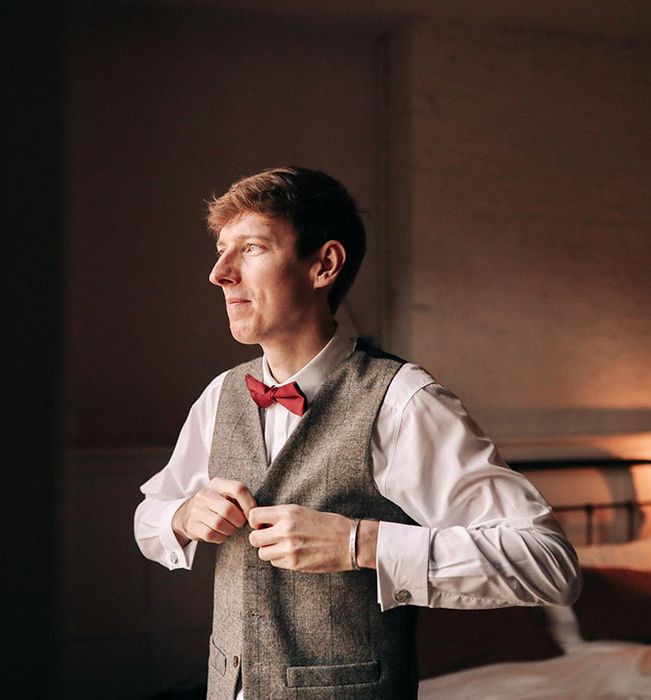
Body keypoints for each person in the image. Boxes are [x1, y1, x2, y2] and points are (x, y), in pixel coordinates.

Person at [134, 166, 581, 700]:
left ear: (323, 265)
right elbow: (149, 519)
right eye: (221, 250)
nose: (219, 273)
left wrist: (359, 543)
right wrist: (183, 516)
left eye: (250, 249)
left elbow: (549, 563)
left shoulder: (403, 401)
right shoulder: (220, 396)